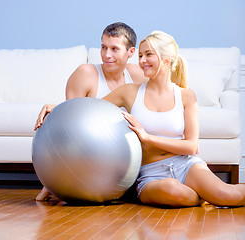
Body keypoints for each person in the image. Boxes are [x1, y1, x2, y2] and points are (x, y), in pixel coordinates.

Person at [103, 30, 245, 207]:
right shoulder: (129, 92)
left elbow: (191, 147)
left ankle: (210, 193)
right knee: (173, 190)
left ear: (167, 59)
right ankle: (203, 196)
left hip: (186, 165)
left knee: (227, 195)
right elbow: (91, 109)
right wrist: (60, 108)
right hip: (150, 173)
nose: (141, 61)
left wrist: (147, 137)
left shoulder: (186, 96)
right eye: (140, 55)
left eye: (148, 54)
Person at [34, 22, 147, 201]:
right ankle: (55, 184)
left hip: (126, 154)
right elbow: (71, 125)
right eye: (103, 47)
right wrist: (57, 109)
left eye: (114, 49)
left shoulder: (136, 74)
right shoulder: (86, 74)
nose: (107, 55)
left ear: (131, 52)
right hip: (91, 156)